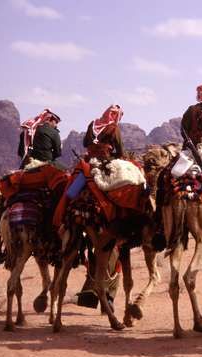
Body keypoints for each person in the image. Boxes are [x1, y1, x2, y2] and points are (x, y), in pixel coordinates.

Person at [76, 104, 126, 311]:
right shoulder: (113, 128)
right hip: (107, 165)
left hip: (88, 165)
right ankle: (108, 294)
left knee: (70, 187)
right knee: (128, 194)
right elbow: (120, 150)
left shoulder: (92, 124)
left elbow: (86, 142)